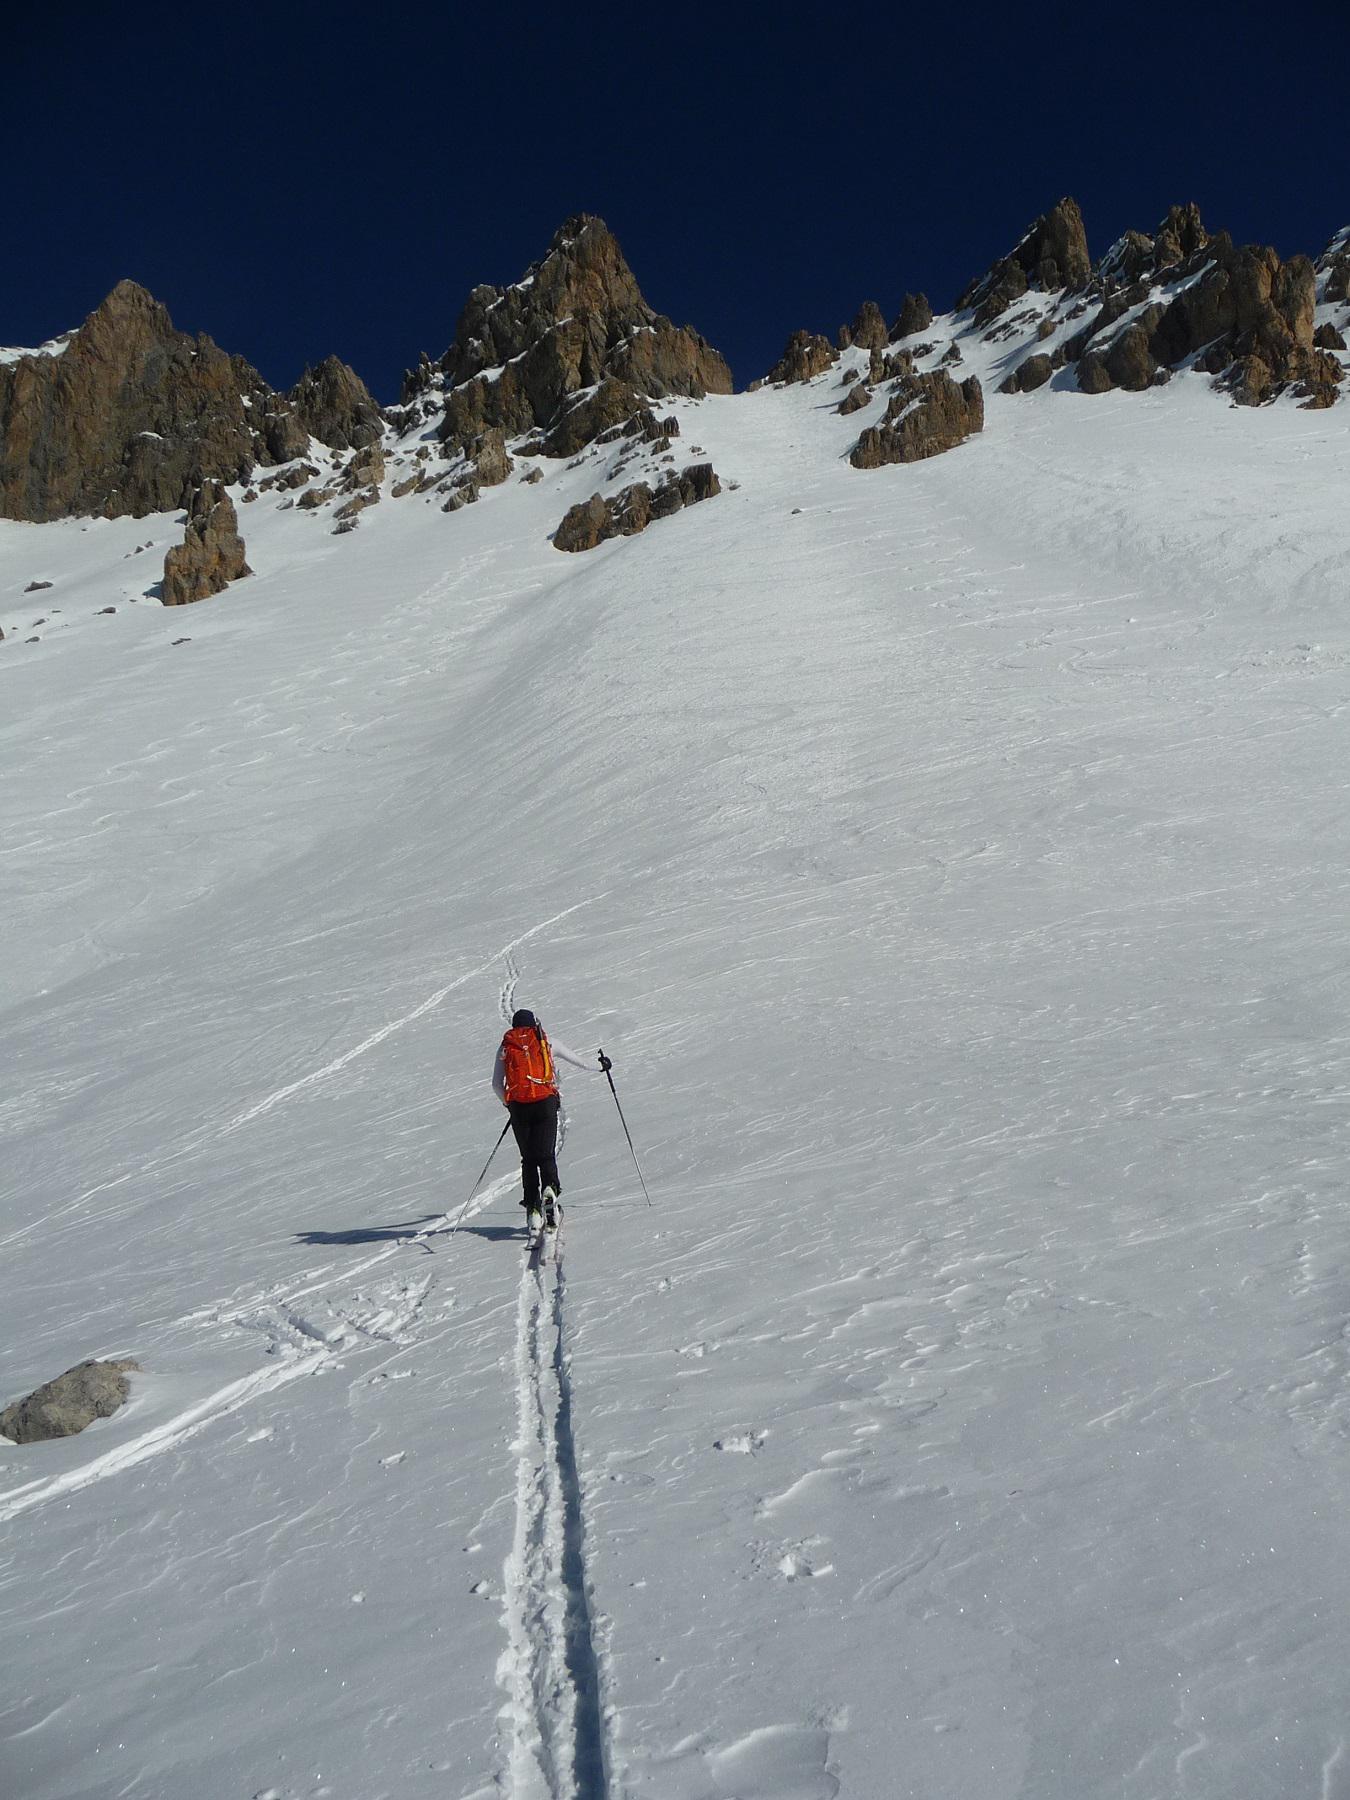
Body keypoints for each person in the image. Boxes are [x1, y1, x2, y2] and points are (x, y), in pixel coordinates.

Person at [492, 1009, 611, 1231]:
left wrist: (509, 1104)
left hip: (519, 1108)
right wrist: (602, 1066)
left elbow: (496, 1085)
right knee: (546, 1155)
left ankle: (533, 1211)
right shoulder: (546, 1042)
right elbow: (580, 1061)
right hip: (545, 1104)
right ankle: (550, 1192)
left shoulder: (506, 1048)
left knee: (528, 1159)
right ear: (534, 1023)